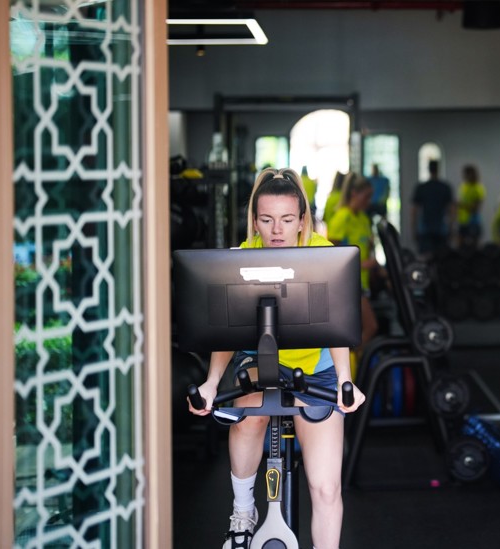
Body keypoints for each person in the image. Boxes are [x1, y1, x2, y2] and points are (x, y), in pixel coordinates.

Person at [189, 168, 367, 549]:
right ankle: (242, 512)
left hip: (315, 373)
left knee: (325, 486)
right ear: (255, 219)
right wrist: (210, 382)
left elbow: (336, 327)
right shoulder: (240, 257)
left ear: (302, 219)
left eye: (287, 220)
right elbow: (225, 331)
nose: (276, 229)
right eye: (267, 219)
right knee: (250, 417)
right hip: (257, 363)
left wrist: (344, 380)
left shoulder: (324, 253)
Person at [327, 172, 380, 350]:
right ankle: (349, 367)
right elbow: (333, 258)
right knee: (371, 326)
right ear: (354, 194)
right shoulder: (342, 218)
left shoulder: (363, 219)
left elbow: (367, 249)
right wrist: (365, 265)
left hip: (362, 282)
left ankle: (355, 367)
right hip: (348, 284)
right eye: (366, 197)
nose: (368, 201)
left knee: (359, 330)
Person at [411, 159, 454, 257]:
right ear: (438, 169)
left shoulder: (422, 187)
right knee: (441, 260)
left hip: (426, 229)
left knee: (426, 259)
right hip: (440, 229)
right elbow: (452, 210)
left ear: (429, 170)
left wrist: (414, 229)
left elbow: (414, 211)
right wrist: (451, 228)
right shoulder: (445, 187)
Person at [456, 163, 486, 248]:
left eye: (467, 174)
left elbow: (476, 208)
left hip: (473, 222)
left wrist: (462, 205)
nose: (465, 176)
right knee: (460, 247)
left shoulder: (478, 188)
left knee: (474, 247)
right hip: (462, 221)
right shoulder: (463, 186)